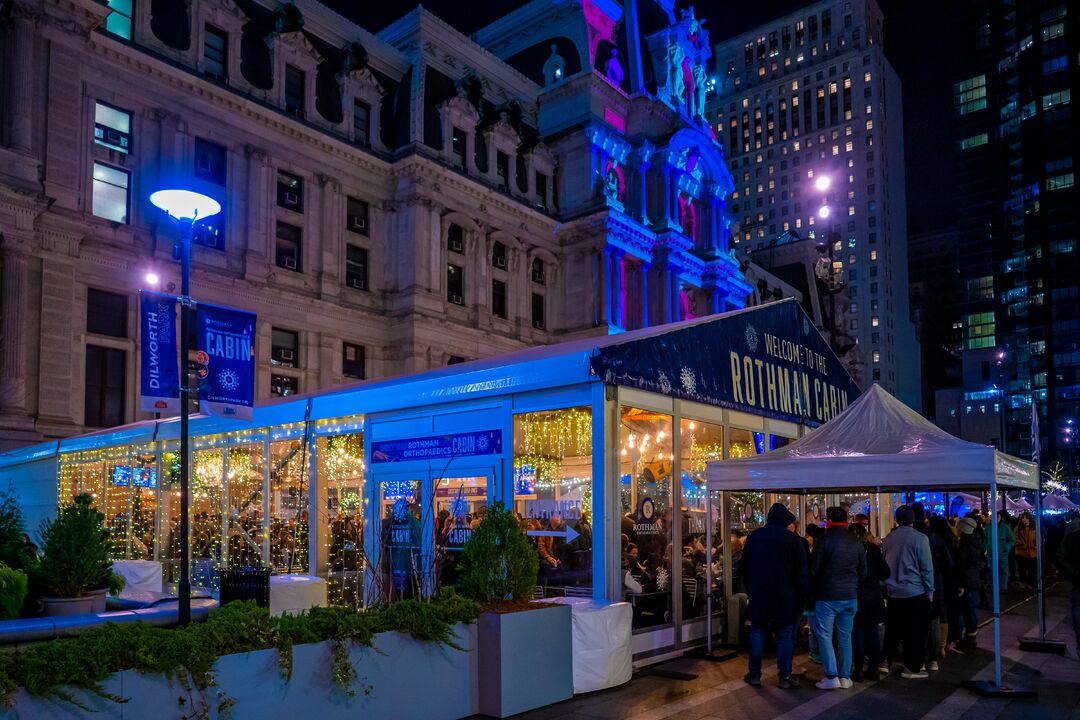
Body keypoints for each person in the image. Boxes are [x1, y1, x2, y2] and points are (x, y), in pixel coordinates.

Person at [738, 503, 809, 689]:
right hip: (786, 595)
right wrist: (803, 594)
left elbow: (743, 567)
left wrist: (751, 587)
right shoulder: (792, 540)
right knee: (785, 634)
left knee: (757, 631)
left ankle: (754, 674)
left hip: (760, 593)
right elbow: (801, 572)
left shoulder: (754, 537)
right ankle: (784, 676)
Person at [810, 507, 866, 690]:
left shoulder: (823, 541)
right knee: (845, 636)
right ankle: (845, 677)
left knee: (824, 635)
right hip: (850, 596)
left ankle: (832, 675)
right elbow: (863, 572)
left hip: (826, 596)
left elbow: (814, 570)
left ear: (829, 520)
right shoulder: (856, 542)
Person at [882, 505, 935, 679]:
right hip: (915, 591)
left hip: (893, 591)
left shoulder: (889, 538)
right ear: (913, 519)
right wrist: (930, 590)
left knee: (893, 629)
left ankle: (885, 660)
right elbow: (926, 567)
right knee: (915, 631)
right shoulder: (920, 539)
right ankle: (912, 667)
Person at [849, 522, 889, 682]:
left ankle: (857, 670)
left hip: (855, 595)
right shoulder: (873, 550)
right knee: (873, 633)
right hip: (873, 596)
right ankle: (873, 668)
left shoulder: (850, 551)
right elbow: (886, 572)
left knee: (857, 633)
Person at [955, 516, 984, 647]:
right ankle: (970, 635)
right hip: (973, 580)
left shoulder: (965, 546)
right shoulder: (976, 542)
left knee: (965, 609)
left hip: (965, 582)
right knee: (969, 609)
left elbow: (960, 566)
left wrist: (960, 584)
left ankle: (968, 637)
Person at [1055, 518, 1080, 659]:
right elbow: (1060, 556)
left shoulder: (1072, 537)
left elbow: (1061, 556)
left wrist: (1074, 574)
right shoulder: (1073, 537)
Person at [1015, 512, 1038, 591]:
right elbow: (1015, 538)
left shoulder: (1035, 528)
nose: (1024, 520)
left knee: (1032, 570)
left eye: (1026, 518)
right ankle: (1022, 583)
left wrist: (1036, 545)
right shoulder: (1018, 528)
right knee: (1022, 569)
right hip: (1021, 553)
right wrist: (1021, 544)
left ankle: (1030, 584)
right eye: (1022, 518)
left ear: (1030, 519)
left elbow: (1040, 539)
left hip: (1033, 553)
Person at [995, 510, 1015, 591]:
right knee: (992, 570)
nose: (995, 519)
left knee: (1003, 570)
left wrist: (1006, 548)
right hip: (991, 553)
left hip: (1002, 553)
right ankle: (994, 586)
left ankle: (1003, 587)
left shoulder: (1006, 528)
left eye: (997, 517)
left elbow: (1012, 540)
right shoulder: (988, 527)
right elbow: (985, 539)